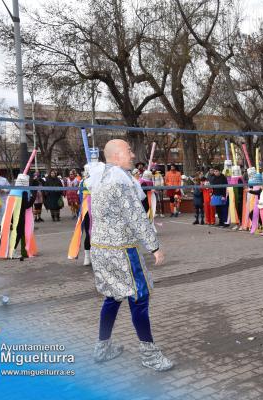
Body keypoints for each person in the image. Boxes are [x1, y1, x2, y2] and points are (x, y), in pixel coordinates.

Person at [88, 139, 172, 371]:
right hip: (121, 251)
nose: (133, 155)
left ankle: (102, 349)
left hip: (101, 249)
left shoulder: (101, 178)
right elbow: (135, 217)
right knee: (139, 298)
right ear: (115, 155)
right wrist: (154, 246)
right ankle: (150, 356)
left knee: (113, 297)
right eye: (129, 151)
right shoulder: (120, 181)